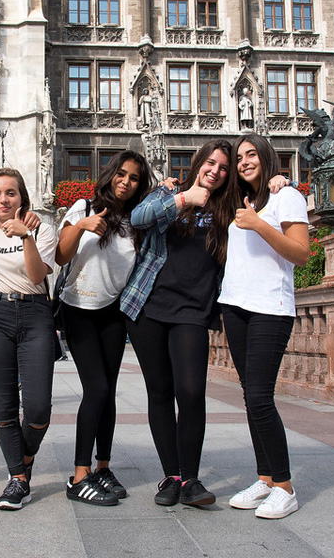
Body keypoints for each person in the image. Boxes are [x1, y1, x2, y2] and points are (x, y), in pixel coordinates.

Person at [120, 140, 237, 507]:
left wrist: (279, 183)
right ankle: (171, 476)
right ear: (198, 162)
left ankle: (191, 479)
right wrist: (183, 200)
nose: (215, 171)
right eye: (210, 163)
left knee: (190, 392)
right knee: (159, 392)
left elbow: (261, 196)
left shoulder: (230, 207)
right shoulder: (168, 192)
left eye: (223, 167)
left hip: (193, 311)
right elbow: (137, 218)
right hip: (149, 305)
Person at [219, 133, 309, 519]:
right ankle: (265, 478)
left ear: (267, 157)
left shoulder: (286, 196)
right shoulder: (245, 200)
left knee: (259, 397)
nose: (243, 162)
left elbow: (301, 253)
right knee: (249, 396)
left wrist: (258, 224)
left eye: (251, 154)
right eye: (239, 157)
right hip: (235, 306)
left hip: (270, 308)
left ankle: (285, 487)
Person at [56, 151, 154, 507]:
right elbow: (61, 257)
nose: (126, 182)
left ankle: (102, 467)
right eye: (122, 174)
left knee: (108, 392)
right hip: (78, 307)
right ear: (111, 174)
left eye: (134, 178)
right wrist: (81, 227)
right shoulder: (83, 207)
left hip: (113, 311)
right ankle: (79, 476)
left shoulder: (136, 221)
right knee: (95, 388)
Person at [0, 168, 57, 510]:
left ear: (22, 196)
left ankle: (23, 458)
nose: (3, 199)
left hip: (36, 312)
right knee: (5, 406)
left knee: (38, 408)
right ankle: (18, 480)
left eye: (11, 193)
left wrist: (26, 235)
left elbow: (38, 275)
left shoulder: (43, 229)